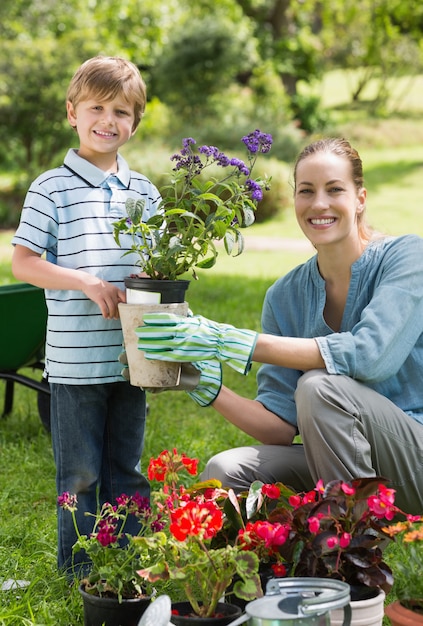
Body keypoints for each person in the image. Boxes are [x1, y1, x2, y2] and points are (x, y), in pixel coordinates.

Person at [135, 137, 423, 515]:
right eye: (307, 191)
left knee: (319, 387)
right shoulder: (284, 295)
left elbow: (370, 357)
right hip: (346, 465)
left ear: (360, 199)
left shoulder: (407, 257)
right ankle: (278, 562)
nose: (319, 203)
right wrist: (207, 386)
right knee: (228, 471)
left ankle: (352, 551)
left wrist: (232, 341)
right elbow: (280, 427)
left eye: (334, 189)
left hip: (413, 462)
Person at [11, 56, 162, 577]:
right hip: (75, 362)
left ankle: (134, 560)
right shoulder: (49, 188)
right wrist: (86, 282)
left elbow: (159, 268)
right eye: (96, 107)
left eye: (121, 111)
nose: (108, 120)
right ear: (72, 113)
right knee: (78, 474)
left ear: (135, 122)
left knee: (129, 468)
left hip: (130, 360)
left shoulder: (145, 191)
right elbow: (24, 262)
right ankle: (81, 570)